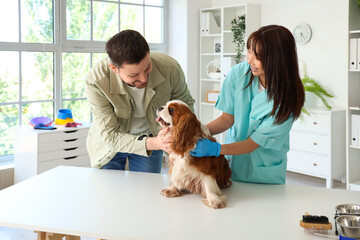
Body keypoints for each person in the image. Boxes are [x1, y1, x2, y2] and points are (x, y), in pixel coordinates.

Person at [190, 25, 305, 184]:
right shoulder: (239, 73)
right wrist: (195, 133)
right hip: (231, 165)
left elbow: (252, 143)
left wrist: (215, 149)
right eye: (249, 51)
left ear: (278, 59)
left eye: (258, 56)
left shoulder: (286, 99)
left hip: (264, 173)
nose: (250, 60)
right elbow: (226, 119)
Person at [85, 29, 195, 173]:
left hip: (152, 136)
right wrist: (155, 143)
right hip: (112, 144)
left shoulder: (170, 68)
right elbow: (111, 135)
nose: (143, 79)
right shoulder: (96, 80)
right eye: (134, 74)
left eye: (147, 67)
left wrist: (180, 135)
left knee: (146, 191)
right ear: (114, 69)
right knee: (108, 192)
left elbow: (185, 104)